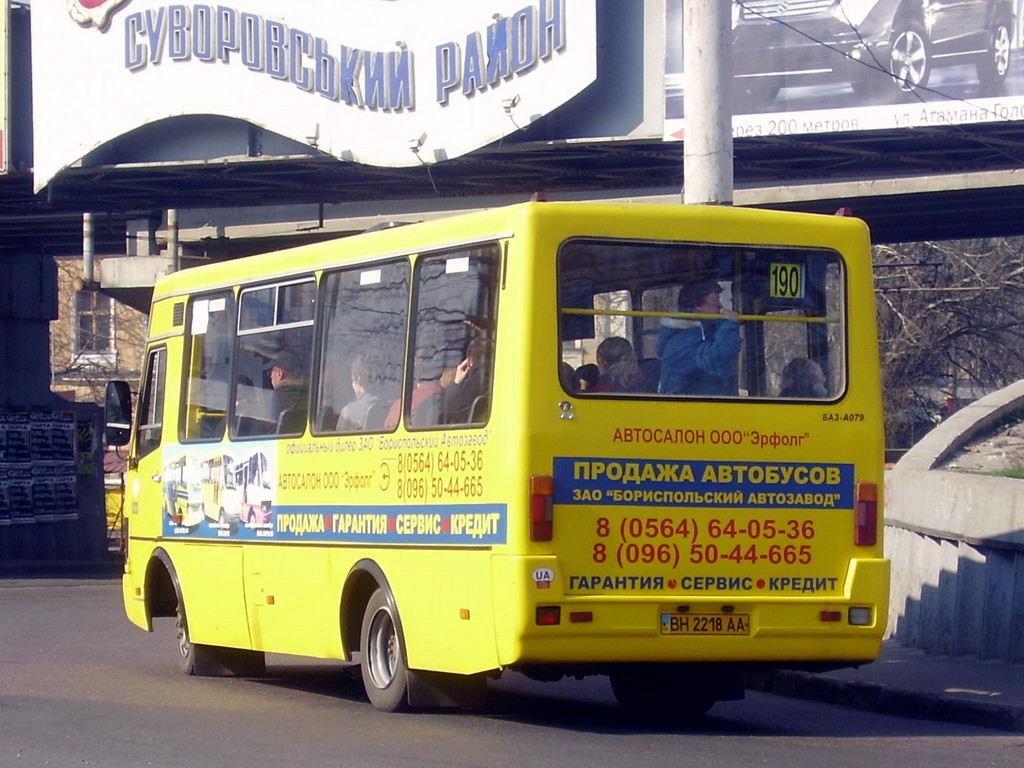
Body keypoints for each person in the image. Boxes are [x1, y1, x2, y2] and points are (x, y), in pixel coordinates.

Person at [657, 279, 740, 396]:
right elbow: (718, 362)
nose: (720, 306)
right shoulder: (682, 340)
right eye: (716, 300)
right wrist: (728, 325)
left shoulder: (704, 333)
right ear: (697, 305)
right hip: (685, 410)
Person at [442, 338, 492, 423]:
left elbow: (451, 420)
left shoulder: (463, 390)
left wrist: (456, 383)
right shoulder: (501, 382)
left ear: (468, 363)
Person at [264, 348, 308, 432]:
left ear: (279, 373)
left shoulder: (276, 397)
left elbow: (269, 432)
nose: (270, 377)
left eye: (270, 373)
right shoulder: (308, 395)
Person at [336, 354, 382, 430]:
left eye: (352, 380)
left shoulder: (347, 412)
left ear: (358, 378)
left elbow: (337, 439)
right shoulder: (382, 406)